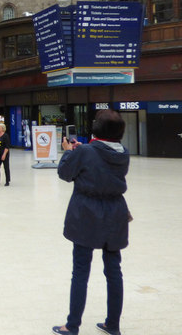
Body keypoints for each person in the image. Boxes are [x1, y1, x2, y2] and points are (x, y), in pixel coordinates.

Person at [52, 110, 130, 335]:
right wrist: (81, 151)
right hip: (115, 212)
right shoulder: (123, 152)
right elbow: (100, 157)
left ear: (97, 129)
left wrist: (68, 152)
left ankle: (72, 325)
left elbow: (65, 173)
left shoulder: (85, 151)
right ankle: (112, 324)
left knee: (80, 271)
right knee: (114, 270)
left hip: (87, 212)